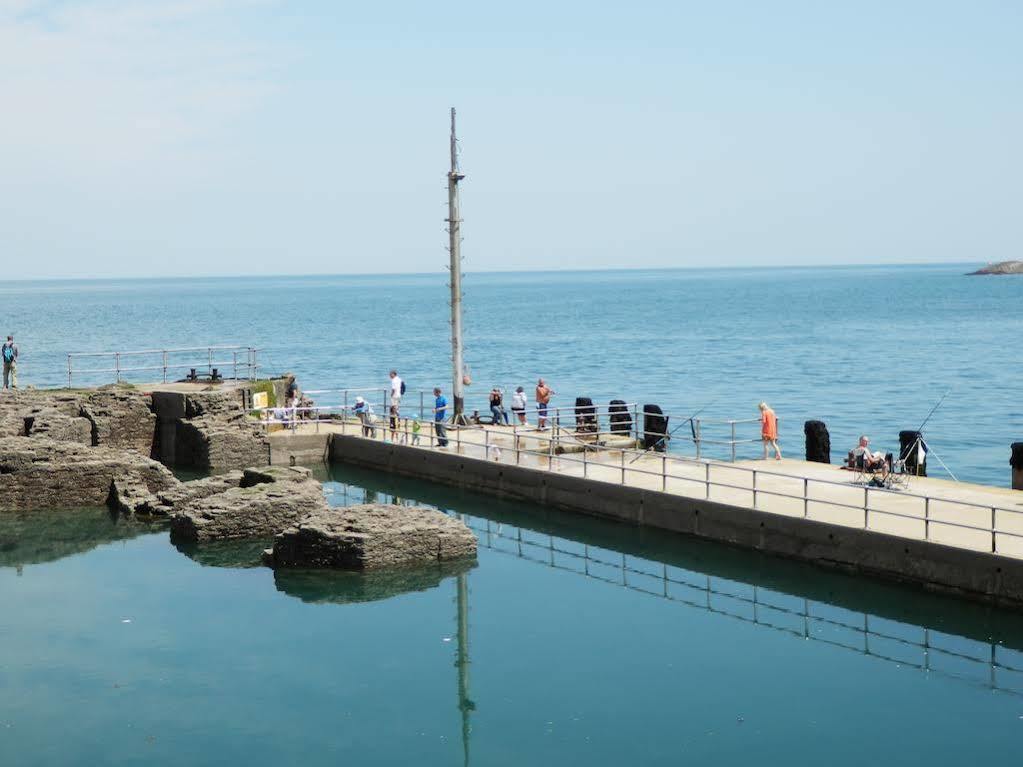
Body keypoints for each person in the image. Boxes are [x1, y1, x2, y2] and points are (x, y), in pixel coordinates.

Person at [388, 370, 403, 441]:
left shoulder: (393, 380)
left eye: (390, 374)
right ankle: (397, 415)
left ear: (393, 374)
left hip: (395, 395)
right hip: (399, 395)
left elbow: (393, 389)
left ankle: (394, 416)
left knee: (393, 407)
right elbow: (403, 385)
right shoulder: (399, 379)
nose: (389, 376)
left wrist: (391, 395)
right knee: (397, 407)